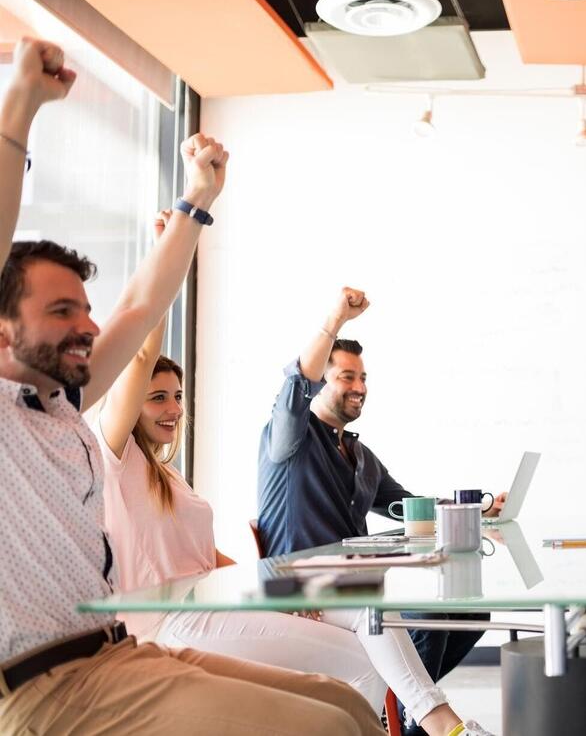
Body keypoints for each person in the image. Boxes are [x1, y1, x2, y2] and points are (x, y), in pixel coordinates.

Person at [0, 37, 382, 735]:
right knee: (325, 728)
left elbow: (142, 306)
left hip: (114, 655)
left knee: (350, 705)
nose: (87, 325)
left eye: (85, 308)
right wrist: (19, 108)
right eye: (62, 311)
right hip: (43, 691)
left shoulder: (61, 406)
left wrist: (197, 201)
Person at [95, 214, 492, 736]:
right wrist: (172, 250)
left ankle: (442, 726)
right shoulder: (116, 455)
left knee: (368, 606)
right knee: (362, 658)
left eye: (176, 396)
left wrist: (271, 595)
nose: (171, 408)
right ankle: (435, 728)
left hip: (237, 591)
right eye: (156, 397)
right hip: (169, 622)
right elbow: (143, 351)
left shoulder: (170, 477)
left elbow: (206, 561)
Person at [257, 287, 503, 735]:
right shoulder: (290, 437)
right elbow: (296, 382)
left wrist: (477, 510)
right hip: (296, 588)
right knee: (405, 613)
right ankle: (426, 724)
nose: (359, 387)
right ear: (321, 382)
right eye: (346, 376)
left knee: (466, 614)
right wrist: (335, 320)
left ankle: (404, 718)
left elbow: (408, 506)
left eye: (363, 377)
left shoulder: (360, 455)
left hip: (348, 586)